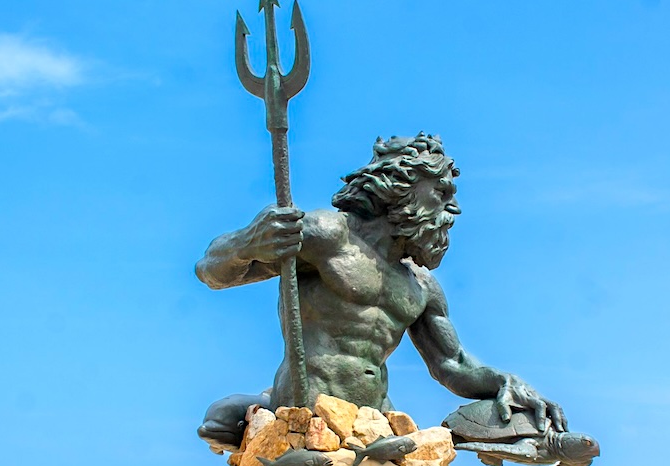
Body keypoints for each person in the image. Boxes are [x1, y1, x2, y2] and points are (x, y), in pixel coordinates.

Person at [196, 134, 566, 447]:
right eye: (441, 192)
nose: (452, 208)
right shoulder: (330, 236)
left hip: (374, 425)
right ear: (402, 186)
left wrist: (504, 381)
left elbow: (452, 365)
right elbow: (212, 271)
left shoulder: (420, 286)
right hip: (309, 421)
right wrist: (248, 242)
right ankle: (251, 409)